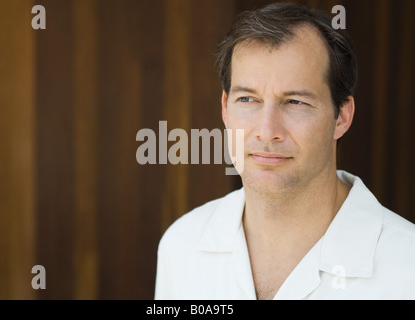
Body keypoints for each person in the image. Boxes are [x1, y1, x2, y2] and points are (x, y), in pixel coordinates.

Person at [154, 3, 415, 300]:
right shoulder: (182, 245)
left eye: (295, 102)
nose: (267, 131)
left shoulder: (407, 269)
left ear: (341, 116)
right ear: (225, 108)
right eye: (248, 99)